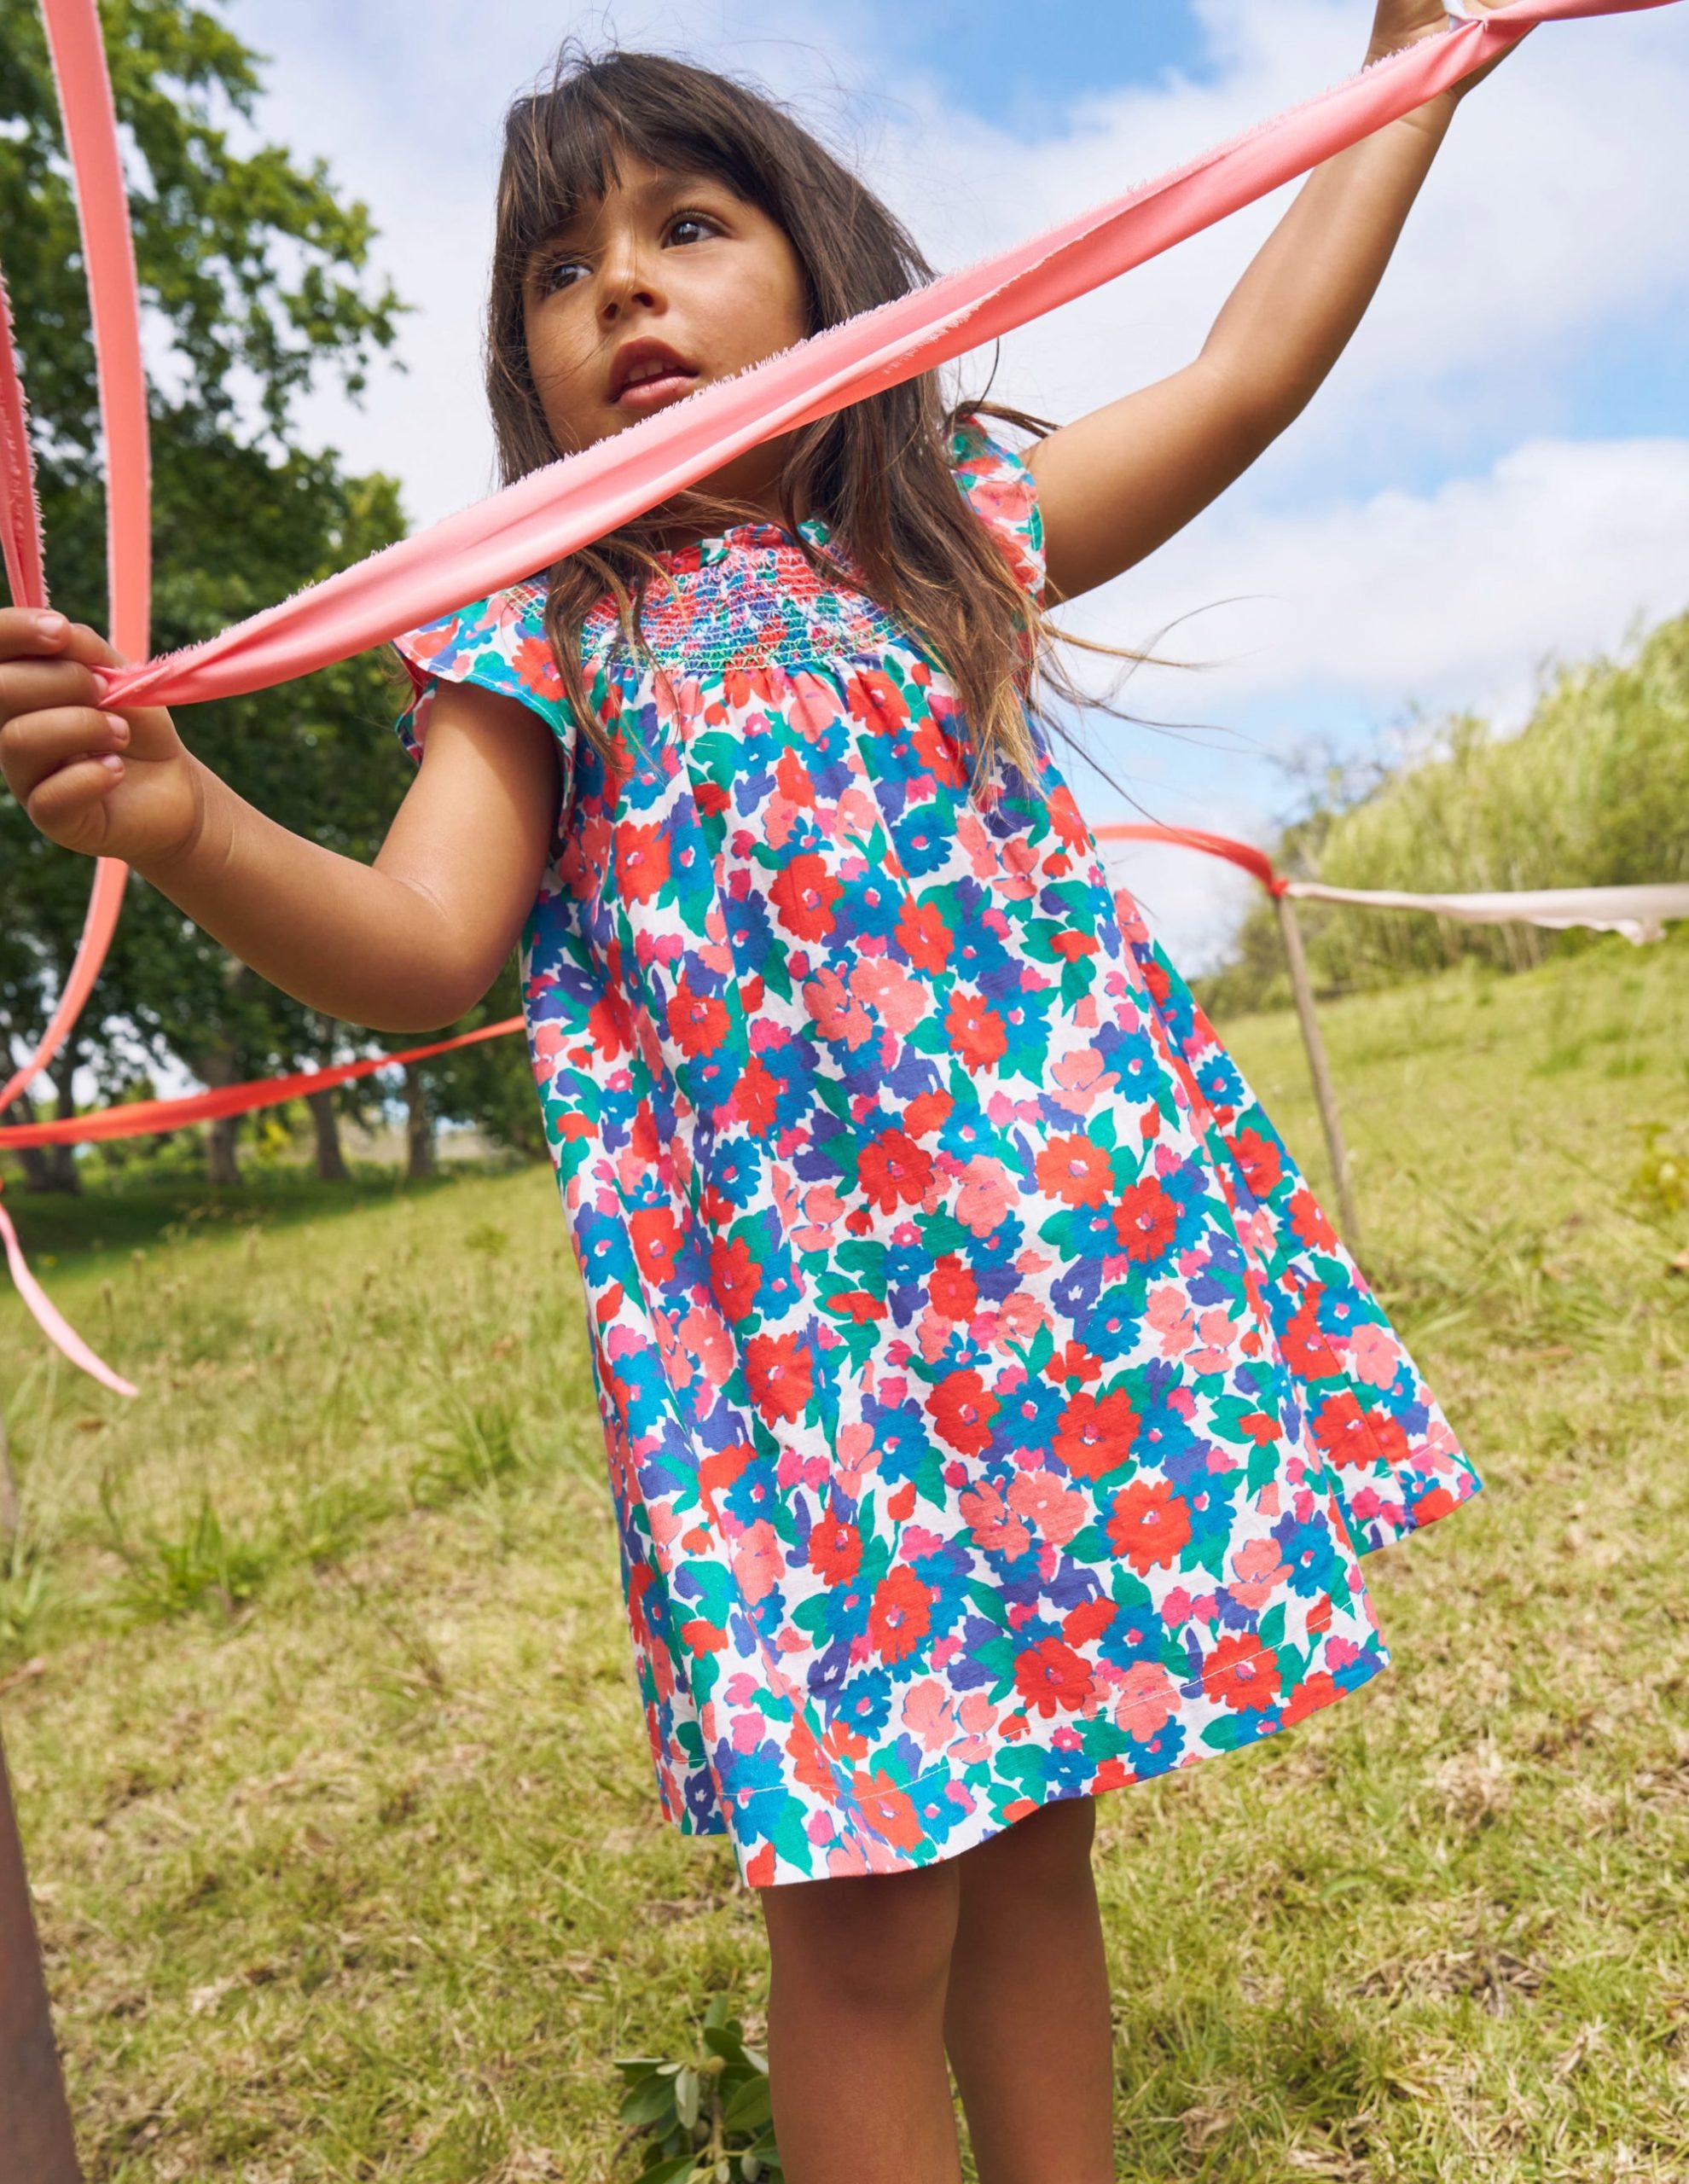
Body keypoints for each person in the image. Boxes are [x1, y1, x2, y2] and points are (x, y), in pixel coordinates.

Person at [0, 6, 1500, 2177]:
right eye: (560, 265)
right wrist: (186, 820)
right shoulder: (540, 624)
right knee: (871, 1909)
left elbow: (1245, 364)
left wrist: (1424, 74)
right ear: (528, 370)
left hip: (1039, 1287)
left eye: (687, 225)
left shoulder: (933, 530)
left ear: (819, 274)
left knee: (1040, 1834)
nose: (621, 284)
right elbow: (428, 940)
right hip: (793, 1358)